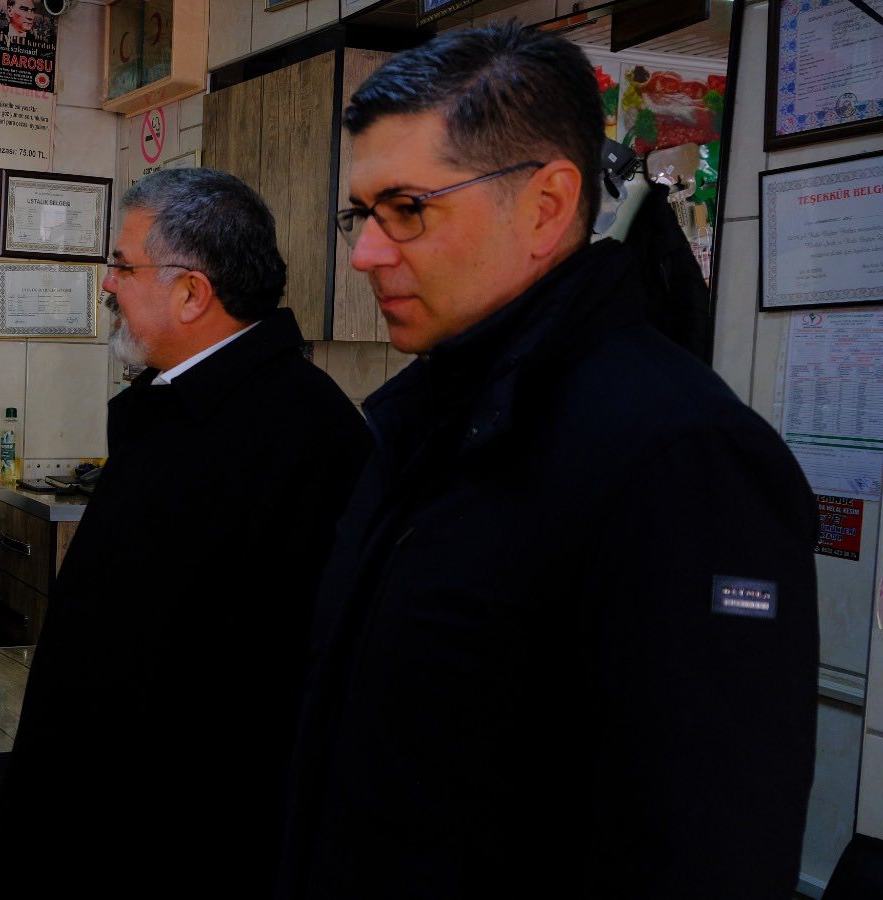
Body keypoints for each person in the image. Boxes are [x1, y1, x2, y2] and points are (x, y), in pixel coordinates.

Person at [278, 24, 818, 899]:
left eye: (407, 209)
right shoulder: (426, 424)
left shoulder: (682, 460)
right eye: (360, 215)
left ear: (545, 204)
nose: (366, 252)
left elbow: (701, 853)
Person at [0, 168, 373, 900]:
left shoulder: (303, 435)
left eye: (123, 266)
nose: (108, 285)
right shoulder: (173, 405)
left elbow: (271, 693)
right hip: (95, 814)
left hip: (176, 842)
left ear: (192, 293)